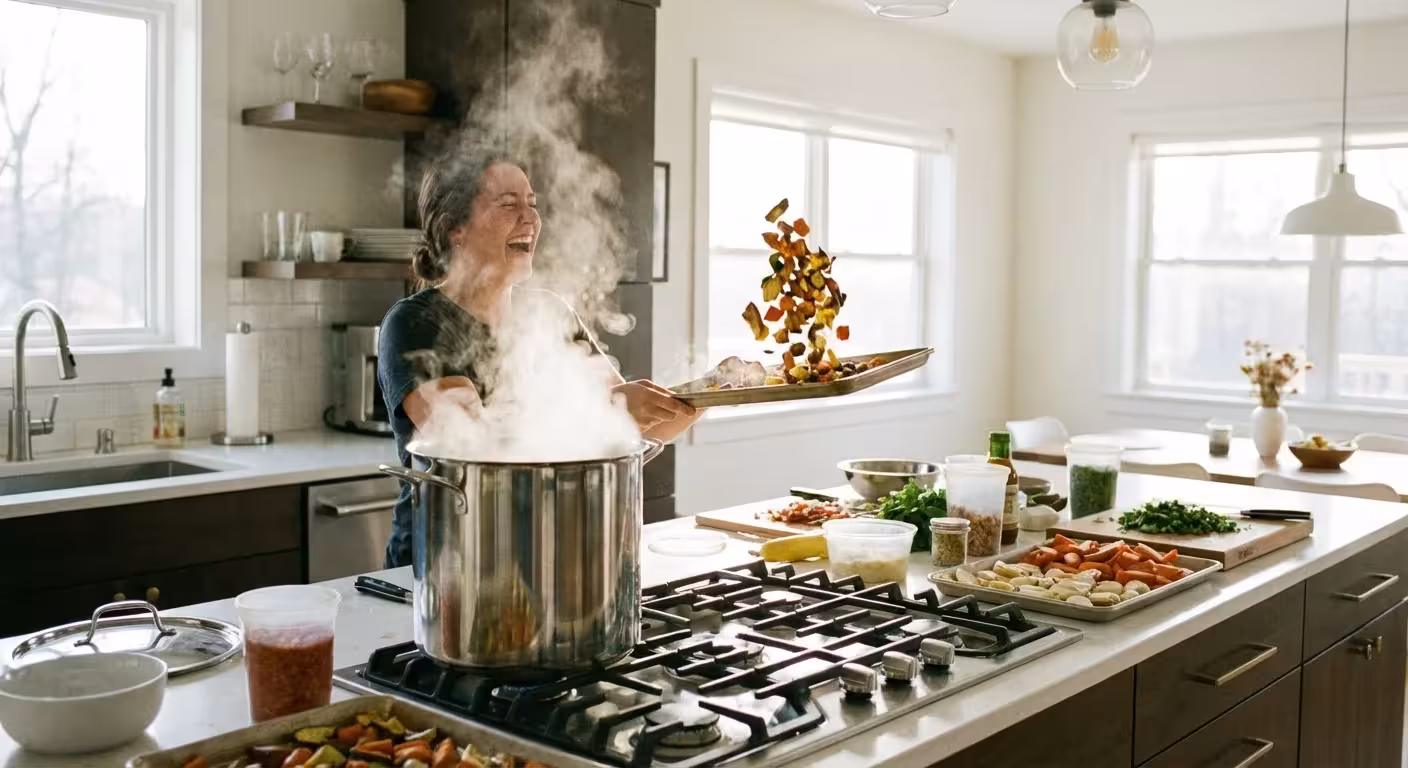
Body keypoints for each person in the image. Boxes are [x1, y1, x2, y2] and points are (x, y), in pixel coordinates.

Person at [377, 149, 699, 568]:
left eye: (532, 204)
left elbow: (635, 425)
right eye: (508, 204)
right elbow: (478, 445)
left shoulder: (551, 313)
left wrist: (714, 393)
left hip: (546, 561)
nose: (530, 219)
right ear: (454, 228)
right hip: (445, 572)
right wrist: (611, 409)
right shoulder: (415, 323)